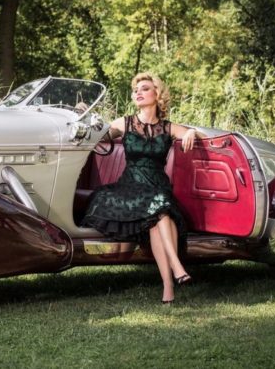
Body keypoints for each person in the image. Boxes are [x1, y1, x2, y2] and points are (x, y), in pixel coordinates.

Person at [82, 72, 205, 305]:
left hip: (157, 186)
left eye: (145, 88)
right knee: (161, 211)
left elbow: (201, 134)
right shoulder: (125, 123)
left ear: (157, 94)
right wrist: (87, 117)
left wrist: (191, 131)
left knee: (159, 216)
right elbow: (100, 135)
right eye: (135, 90)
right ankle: (177, 268)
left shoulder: (167, 127)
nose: (138, 92)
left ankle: (168, 288)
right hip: (130, 186)